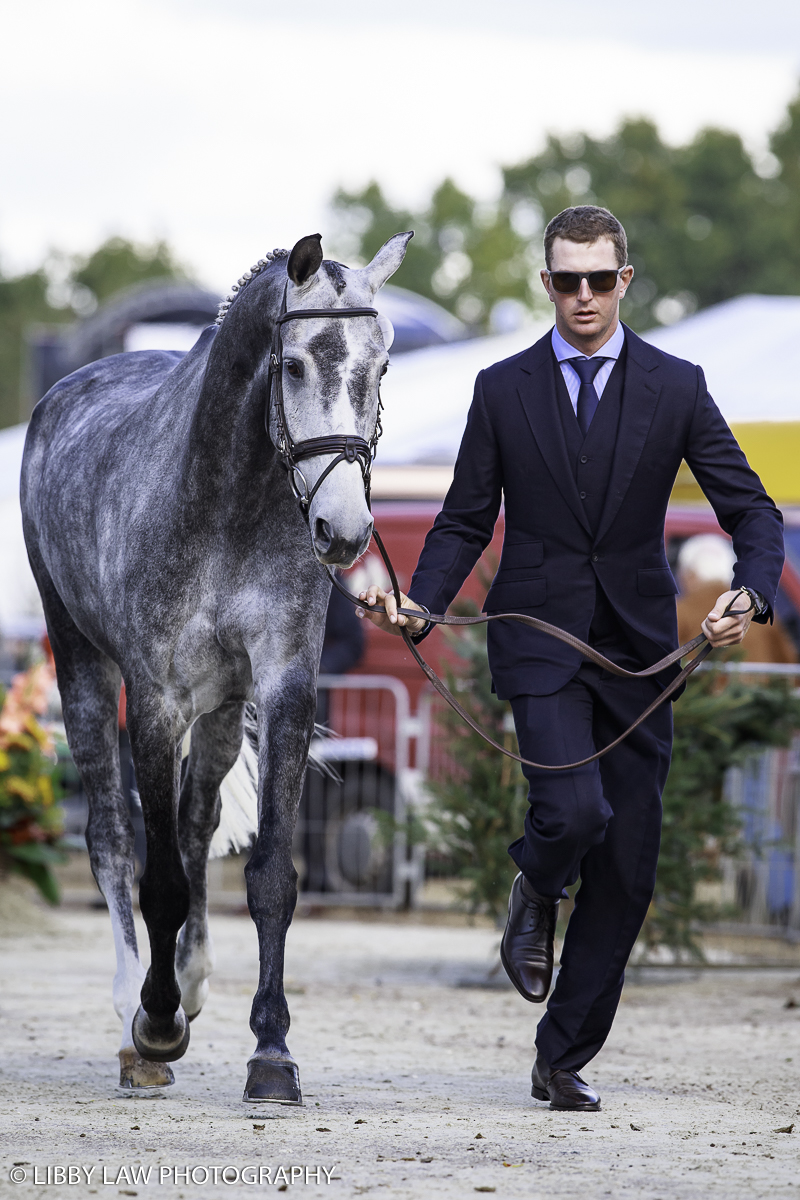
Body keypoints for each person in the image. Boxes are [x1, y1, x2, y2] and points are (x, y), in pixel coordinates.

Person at [357, 205, 785, 1112]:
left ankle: (562, 1057)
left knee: (630, 863)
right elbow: (466, 520)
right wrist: (423, 604)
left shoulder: (677, 386)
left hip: (638, 653)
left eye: (599, 279)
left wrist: (749, 592)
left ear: (625, 281)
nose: (582, 295)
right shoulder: (502, 389)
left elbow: (752, 511)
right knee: (574, 811)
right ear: (545, 283)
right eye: (566, 279)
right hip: (538, 642)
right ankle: (536, 881)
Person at [676, 534, 796, 664]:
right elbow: (788, 663)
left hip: (698, 683)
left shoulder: (680, 612)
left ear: (690, 575)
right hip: (758, 683)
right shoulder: (757, 610)